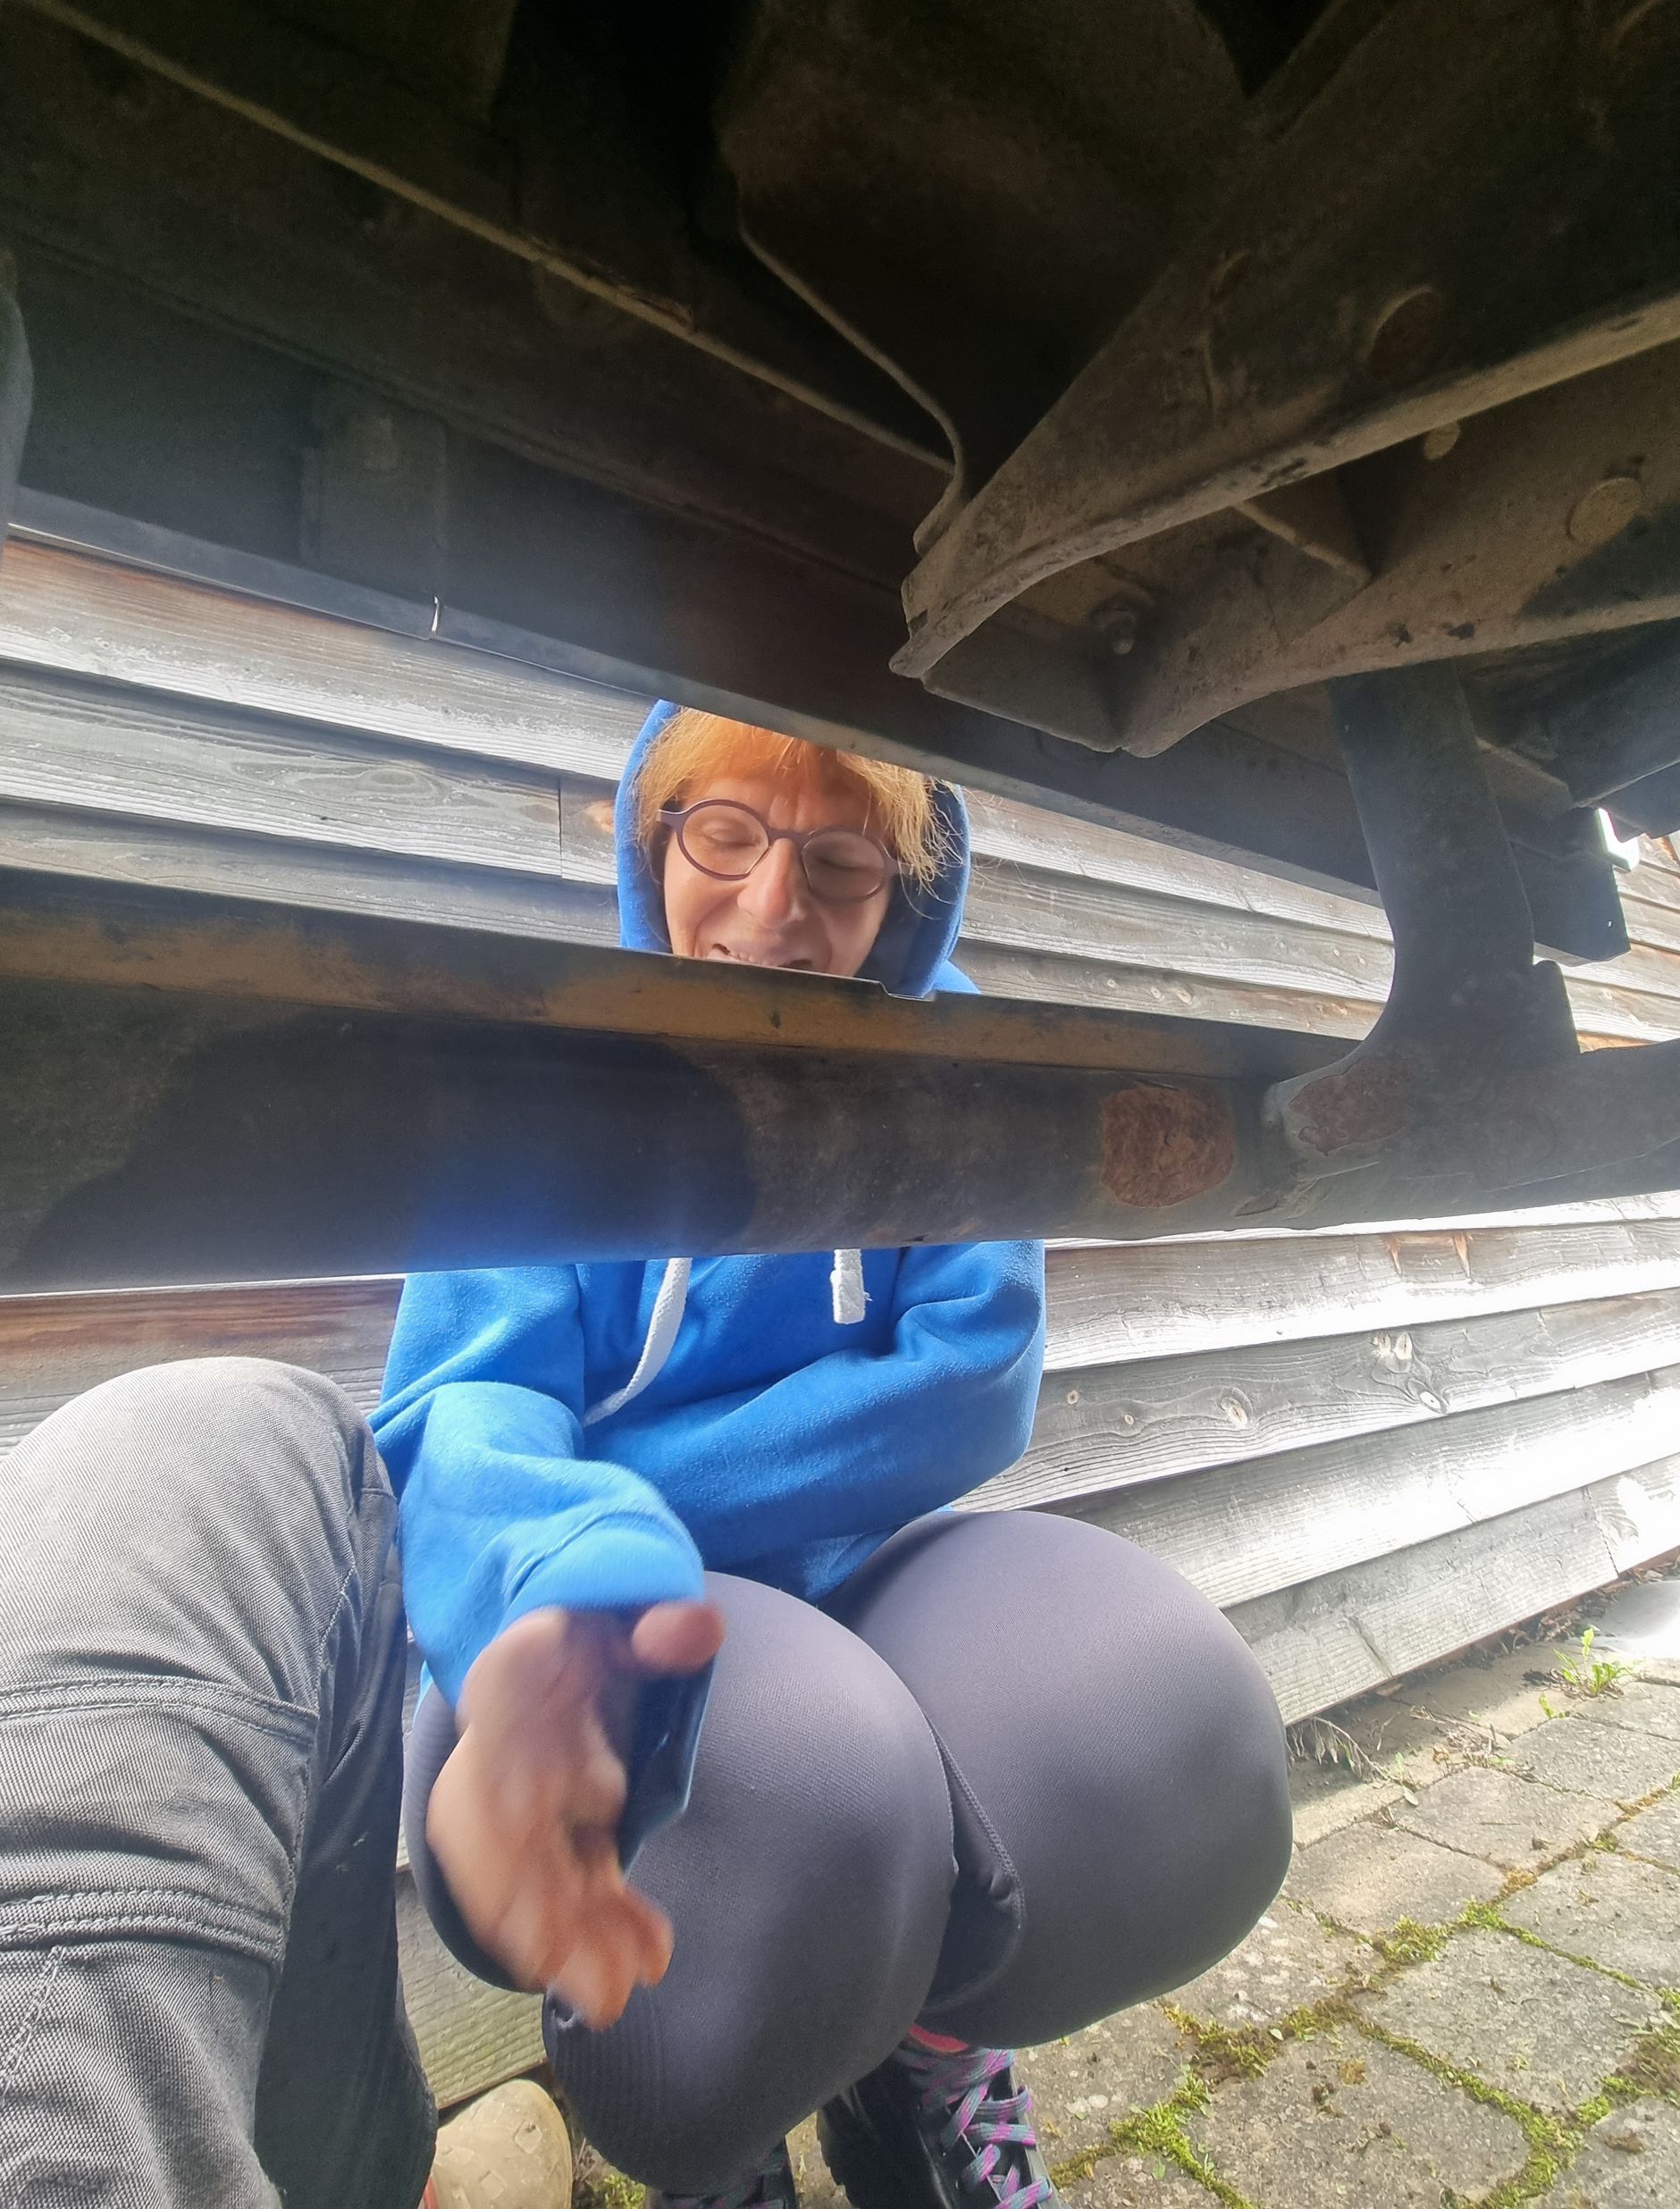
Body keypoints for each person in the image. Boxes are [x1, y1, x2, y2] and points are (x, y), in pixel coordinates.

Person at [0, 707, 1291, 2209]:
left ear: (908, 895)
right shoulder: (558, 1069)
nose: (773, 909)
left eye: (840, 865)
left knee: (1163, 1718)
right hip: (592, 1608)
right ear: (654, 835)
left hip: (858, 1571)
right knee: (819, 1789)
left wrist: (630, 1484)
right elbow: (471, 1407)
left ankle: (923, 2062)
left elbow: (973, 1378)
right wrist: (602, 1562)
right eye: (726, 836)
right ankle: (724, 2148)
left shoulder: (960, 1063)